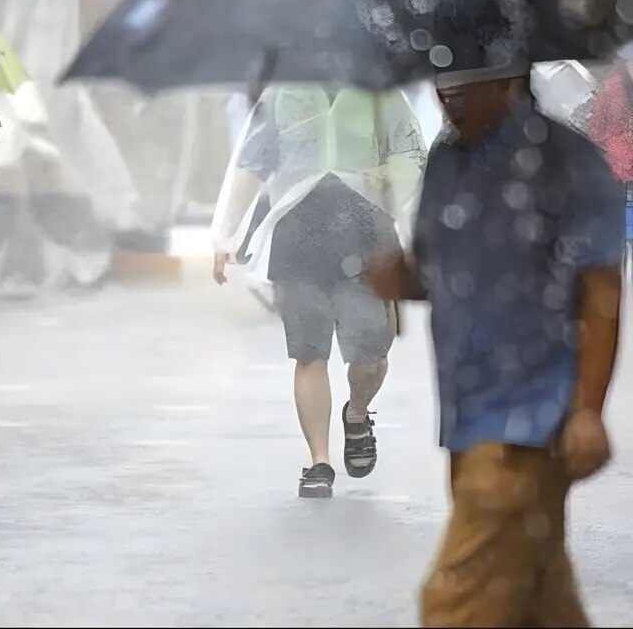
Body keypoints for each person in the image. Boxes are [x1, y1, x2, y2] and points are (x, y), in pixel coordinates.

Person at [370, 65, 623, 627]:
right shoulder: (446, 163)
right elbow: (438, 274)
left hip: (530, 423)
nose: (446, 94)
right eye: (441, 80)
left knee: (455, 606)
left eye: (464, 80)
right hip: (466, 419)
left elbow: (601, 289)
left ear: (508, 76)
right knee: (539, 602)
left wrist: (586, 410)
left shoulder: (568, 165)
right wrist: (401, 278)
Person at [213, 84, 426, 498]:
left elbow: (413, 155)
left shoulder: (380, 90)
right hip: (298, 233)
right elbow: (251, 165)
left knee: (370, 355)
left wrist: (383, 177)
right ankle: (319, 461)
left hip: (367, 233)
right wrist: (223, 232)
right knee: (309, 352)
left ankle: (358, 411)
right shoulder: (282, 95)